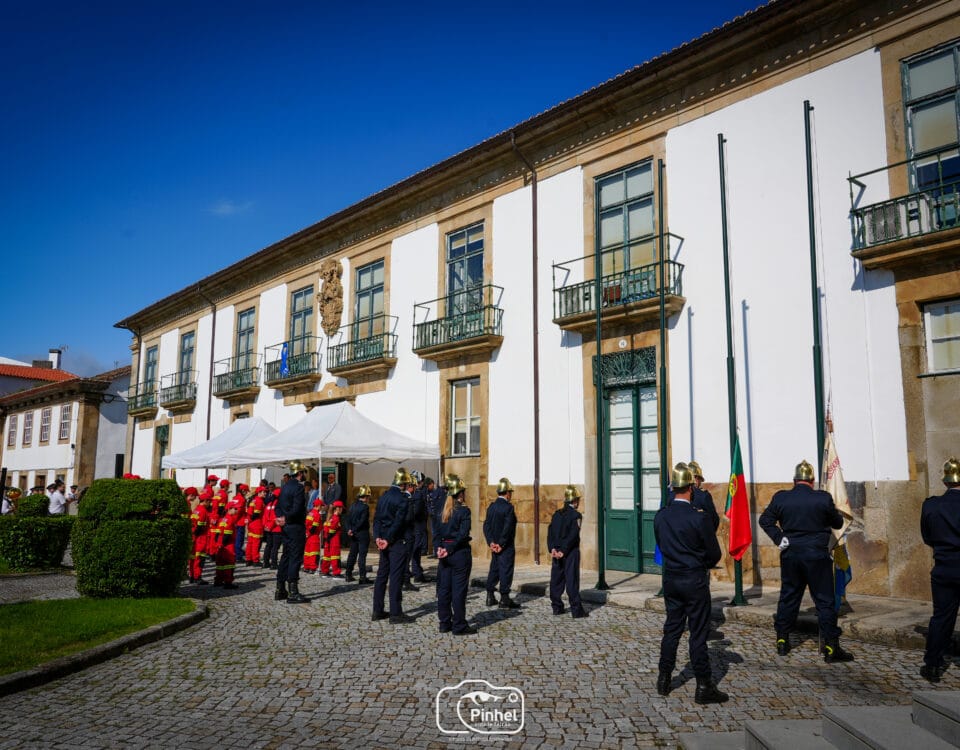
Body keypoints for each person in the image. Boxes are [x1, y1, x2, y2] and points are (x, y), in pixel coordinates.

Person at [759, 459, 853, 662]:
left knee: (789, 597)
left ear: (794, 480)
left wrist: (778, 537)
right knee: (824, 601)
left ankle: (782, 641)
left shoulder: (781, 498)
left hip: (791, 554)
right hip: (817, 556)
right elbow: (837, 522)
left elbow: (764, 520)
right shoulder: (822, 498)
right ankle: (830, 647)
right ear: (812, 481)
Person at [654, 463, 728, 704]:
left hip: (672, 578)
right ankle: (704, 685)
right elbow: (714, 554)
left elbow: (662, 546)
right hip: (694, 578)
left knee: (672, 629)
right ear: (690, 488)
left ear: (673, 488)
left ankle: (664, 678)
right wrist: (698, 561)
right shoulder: (699, 518)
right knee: (697, 634)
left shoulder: (661, 516)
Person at [920, 458, 960, 683]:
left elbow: (927, 537)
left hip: (944, 567)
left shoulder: (931, 505)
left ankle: (933, 664)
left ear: (945, 481)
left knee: (942, 617)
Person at [372, 467, 417, 624]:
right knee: (396, 577)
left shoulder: (383, 496)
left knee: (381, 576)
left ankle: (377, 610)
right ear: (404, 484)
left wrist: (378, 537)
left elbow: (376, 519)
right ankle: (396, 613)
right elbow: (398, 522)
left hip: (383, 540)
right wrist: (388, 539)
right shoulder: (402, 499)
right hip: (395, 542)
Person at [434, 474, 476, 635]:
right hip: (458, 553)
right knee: (458, 590)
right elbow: (463, 534)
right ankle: (459, 624)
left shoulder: (443, 510)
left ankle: (444, 622)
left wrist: (439, 548)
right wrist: (449, 550)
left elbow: (436, 533)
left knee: (444, 589)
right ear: (460, 493)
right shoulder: (464, 511)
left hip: (444, 551)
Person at [548, 486, 587, 619]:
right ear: (575, 501)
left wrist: (552, 548)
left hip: (557, 552)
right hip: (570, 552)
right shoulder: (576, 515)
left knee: (556, 580)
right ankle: (576, 610)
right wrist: (563, 551)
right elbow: (573, 535)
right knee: (571, 580)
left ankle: (557, 607)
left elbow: (550, 533)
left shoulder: (557, 514)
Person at [484, 477, 519, 609]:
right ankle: (504, 598)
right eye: (510, 492)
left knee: (494, 569)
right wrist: (501, 544)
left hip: (494, 546)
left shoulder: (491, 507)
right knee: (506, 570)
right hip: (505, 546)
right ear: (507, 492)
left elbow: (486, 526)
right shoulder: (508, 508)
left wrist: (491, 542)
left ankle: (490, 595)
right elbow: (508, 528)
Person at [276, 469, 309, 604]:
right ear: (300, 473)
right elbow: (297, 509)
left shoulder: (285, 487)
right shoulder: (299, 488)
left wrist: (280, 518)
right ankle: (293, 592)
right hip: (295, 525)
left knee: (286, 555)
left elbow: (277, 506)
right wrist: (287, 518)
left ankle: (280, 588)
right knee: (295, 557)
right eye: (304, 473)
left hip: (285, 527)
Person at [344, 485, 372, 584]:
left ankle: (348, 574)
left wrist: (349, 530)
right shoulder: (365, 507)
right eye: (368, 497)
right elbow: (362, 521)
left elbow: (347, 519)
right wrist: (354, 529)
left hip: (353, 533)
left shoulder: (353, 505)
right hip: (362, 533)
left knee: (352, 554)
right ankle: (362, 577)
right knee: (362, 556)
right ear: (366, 496)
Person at [408, 472, 431, 584]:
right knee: (415, 551)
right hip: (417, 526)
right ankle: (415, 574)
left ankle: (416, 572)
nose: (422, 484)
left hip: (414, 526)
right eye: (420, 482)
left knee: (414, 551)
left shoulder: (413, 494)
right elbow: (416, 512)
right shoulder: (417, 495)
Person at [687, 461, 721, 531]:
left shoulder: (675, 494)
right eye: (699, 479)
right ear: (696, 478)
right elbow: (714, 520)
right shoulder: (703, 496)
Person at [188, 488, 210, 585]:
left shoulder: (196, 510)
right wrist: (197, 536)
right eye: (209, 501)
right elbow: (200, 527)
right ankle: (197, 577)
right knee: (199, 558)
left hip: (194, 537)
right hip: (201, 538)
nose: (210, 503)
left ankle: (192, 576)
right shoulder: (203, 511)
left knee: (192, 558)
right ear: (204, 501)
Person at [322, 500, 345, 577]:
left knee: (327, 556)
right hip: (334, 540)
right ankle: (336, 572)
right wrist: (329, 538)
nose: (342, 510)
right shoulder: (336, 518)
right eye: (341, 508)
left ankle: (325, 571)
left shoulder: (329, 518)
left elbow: (326, 529)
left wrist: (327, 539)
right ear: (337, 508)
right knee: (335, 556)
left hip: (328, 540)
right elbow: (332, 530)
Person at [245, 486, 266, 565]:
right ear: (259, 493)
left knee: (250, 542)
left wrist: (249, 521)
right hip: (257, 523)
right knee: (256, 543)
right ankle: (255, 560)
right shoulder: (259, 501)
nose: (265, 493)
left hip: (251, 524)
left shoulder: (253, 500)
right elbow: (256, 514)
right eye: (263, 492)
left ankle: (248, 559)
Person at [262, 488, 282, 569]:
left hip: (268, 528)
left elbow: (264, 516)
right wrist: (270, 526)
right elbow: (275, 517)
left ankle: (265, 562)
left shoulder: (269, 504)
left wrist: (265, 526)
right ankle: (274, 563)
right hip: (276, 528)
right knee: (275, 547)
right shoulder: (279, 504)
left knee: (268, 545)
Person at [303, 498, 323, 574]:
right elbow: (314, 527)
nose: (322, 508)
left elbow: (306, 524)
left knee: (308, 552)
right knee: (314, 553)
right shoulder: (317, 514)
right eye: (321, 506)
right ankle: (312, 568)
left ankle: (306, 567)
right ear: (318, 506)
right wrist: (310, 533)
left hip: (308, 535)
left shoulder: (310, 513)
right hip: (314, 536)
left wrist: (307, 534)